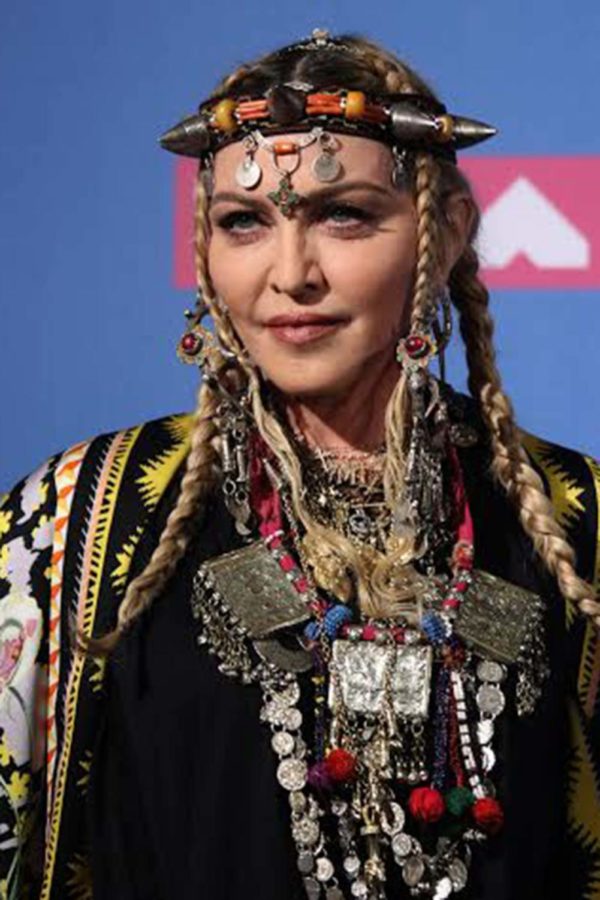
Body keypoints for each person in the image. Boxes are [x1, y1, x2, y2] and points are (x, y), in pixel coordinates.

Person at [0, 29, 598, 900]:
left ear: (447, 232)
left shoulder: (568, 519)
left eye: (343, 215)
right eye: (245, 223)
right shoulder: (80, 516)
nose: (290, 274)